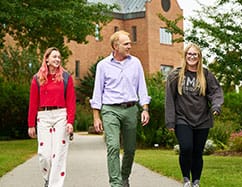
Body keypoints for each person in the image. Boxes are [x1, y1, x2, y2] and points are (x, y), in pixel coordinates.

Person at [90, 30, 151, 187]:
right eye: (126, 44)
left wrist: (145, 108)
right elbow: (97, 92)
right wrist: (96, 116)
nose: (130, 46)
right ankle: (116, 184)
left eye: (130, 43)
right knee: (113, 146)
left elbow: (142, 88)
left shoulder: (135, 63)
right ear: (115, 46)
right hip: (110, 109)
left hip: (131, 109)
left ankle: (124, 177)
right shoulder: (103, 66)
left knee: (130, 149)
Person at [165, 43, 224, 187]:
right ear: (185, 56)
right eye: (189, 54)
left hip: (202, 119)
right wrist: (170, 121)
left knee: (197, 152)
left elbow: (216, 92)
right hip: (182, 118)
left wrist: (216, 106)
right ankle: (186, 179)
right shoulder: (175, 75)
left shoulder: (206, 74)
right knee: (186, 148)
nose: (192, 57)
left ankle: (196, 182)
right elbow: (169, 99)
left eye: (195, 54)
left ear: (199, 57)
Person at [27, 47, 76, 187]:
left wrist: (70, 121)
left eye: (59, 57)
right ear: (46, 59)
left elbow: (71, 101)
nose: (57, 59)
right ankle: (48, 178)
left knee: (59, 154)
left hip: (61, 115)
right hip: (43, 116)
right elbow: (33, 103)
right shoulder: (37, 79)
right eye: (54, 57)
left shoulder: (66, 77)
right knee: (44, 155)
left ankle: (55, 184)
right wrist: (31, 124)